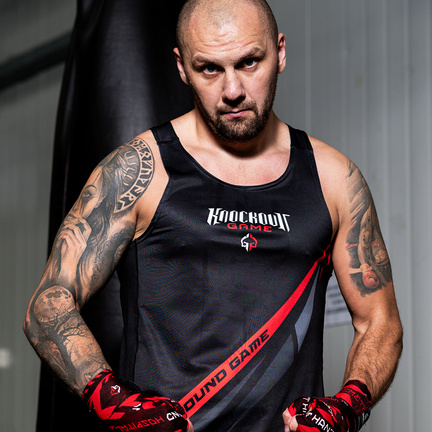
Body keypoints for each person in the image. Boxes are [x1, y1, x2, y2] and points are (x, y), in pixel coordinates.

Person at [24, 0, 403, 431]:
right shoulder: (140, 171)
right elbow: (48, 304)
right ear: (182, 68)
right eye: (209, 69)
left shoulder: (333, 178)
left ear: (280, 52)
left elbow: (380, 320)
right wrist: (117, 404)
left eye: (249, 62)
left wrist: (348, 405)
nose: (233, 90)